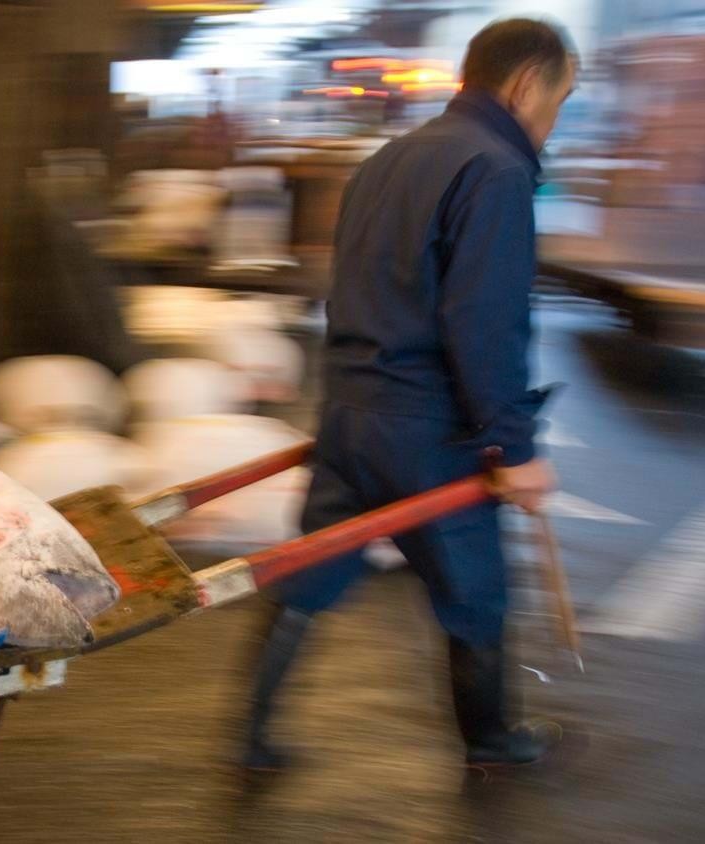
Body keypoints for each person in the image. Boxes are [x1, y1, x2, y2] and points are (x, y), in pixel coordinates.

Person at [242, 18, 576, 774]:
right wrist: (513, 447)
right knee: (475, 589)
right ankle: (490, 741)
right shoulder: (494, 169)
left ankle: (251, 737)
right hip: (430, 428)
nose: (554, 120)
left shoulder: (390, 156)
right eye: (559, 99)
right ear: (526, 85)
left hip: (351, 412)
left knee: (312, 570)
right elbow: (484, 320)